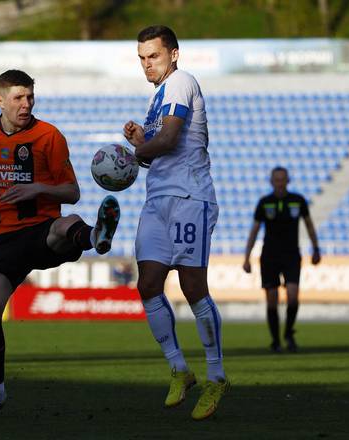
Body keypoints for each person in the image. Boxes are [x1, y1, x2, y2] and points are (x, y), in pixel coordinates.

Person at [0, 69, 121, 419]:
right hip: (2, 238)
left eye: (30, 97)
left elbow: (73, 192)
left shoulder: (49, 136)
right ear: (0, 100)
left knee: (67, 224)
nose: (26, 104)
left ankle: (96, 236)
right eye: (18, 98)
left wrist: (37, 189)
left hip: (41, 229)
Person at [123, 25, 228, 421]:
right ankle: (180, 369)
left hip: (190, 198)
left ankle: (216, 374)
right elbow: (156, 149)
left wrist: (134, 155)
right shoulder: (158, 96)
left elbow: (168, 141)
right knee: (148, 284)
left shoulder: (182, 81)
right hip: (158, 199)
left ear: (174, 54)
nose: (147, 64)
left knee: (192, 286)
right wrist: (138, 142)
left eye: (153, 56)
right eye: (142, 58)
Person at [242, 166, 321, 353]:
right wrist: (247, 257)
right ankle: (276, 340)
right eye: (277, 179)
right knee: (272, 299)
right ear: (271, 182)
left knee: (293, 296)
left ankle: (289, 333)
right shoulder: (264, 203)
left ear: (288, 180)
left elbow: (309, 226)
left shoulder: (298, 201)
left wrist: (316, 248)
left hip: (292, 254)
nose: (280, 183)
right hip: (269, 255)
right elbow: (254, 231)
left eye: (283, 179)